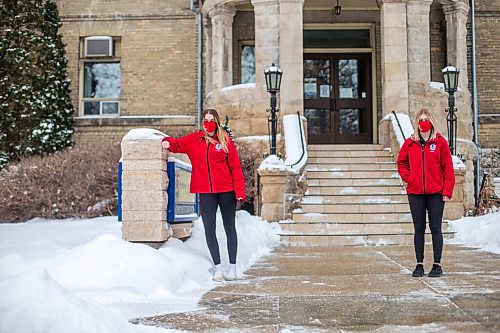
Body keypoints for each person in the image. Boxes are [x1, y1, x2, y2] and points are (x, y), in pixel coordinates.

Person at [161, 109, 246, 282]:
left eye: (212, 120)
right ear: (202, 121)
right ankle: (217, 267)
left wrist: (239, 191)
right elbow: (177, 145)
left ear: (217, 121)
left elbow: (235, 167)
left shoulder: (224, 140)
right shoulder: (195, 139)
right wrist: (166, 141)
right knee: (209, 229)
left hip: (226, 190)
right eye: (206, 120)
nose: (209, 123)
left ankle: (232, 267)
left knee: (230, 228)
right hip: (206, 192)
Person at [397, 108, 455, 278]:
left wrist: (447, 191)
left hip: (435, 193)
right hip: (415, 193)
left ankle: (437, 265)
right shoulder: (410, 143)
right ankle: (419, 264)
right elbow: (401, 163)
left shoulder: (440, 142)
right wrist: (410, 177)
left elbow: (448, 169)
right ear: (417, 122)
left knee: (435, 227)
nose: (423, 122)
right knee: (419, 228)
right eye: (421, 119)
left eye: (426, 119)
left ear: (431, 121)